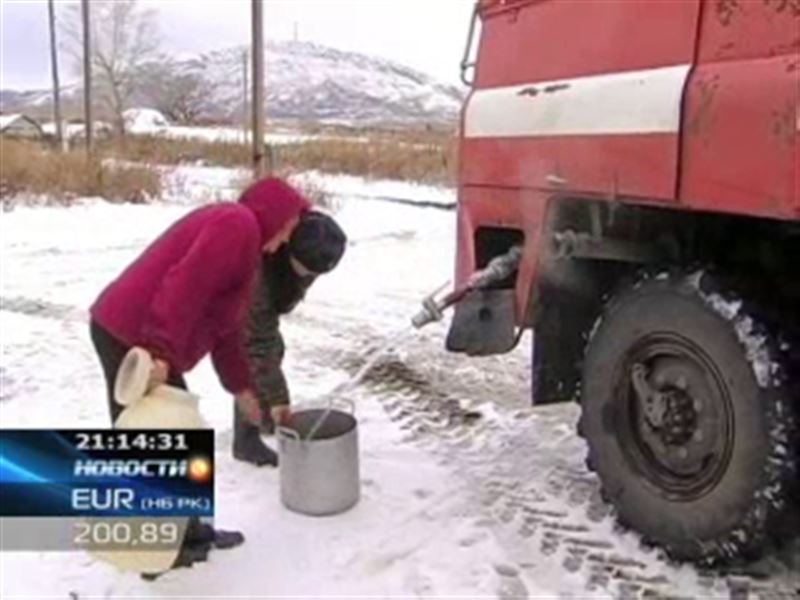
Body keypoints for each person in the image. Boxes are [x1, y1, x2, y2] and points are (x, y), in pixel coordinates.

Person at [88, 178, 310, 572]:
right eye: (288, 228)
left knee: (172, 440)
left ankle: (185, 534)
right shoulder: (235, 225)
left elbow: (224, 328)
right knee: (153, 444)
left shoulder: (245, 245)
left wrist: (241, 387)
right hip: (128, 335)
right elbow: (182, 287)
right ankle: (156, 552)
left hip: (139, 336)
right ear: (273, 216)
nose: (285, 240)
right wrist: (158, 353)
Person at [233, 210, 347, 465]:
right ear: (287, 250)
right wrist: (278, 399)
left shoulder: (313, 231)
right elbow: (257, 341)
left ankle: (256, 421)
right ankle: (246, 440)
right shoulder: (256, 273)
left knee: (270, 351)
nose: (309, 279)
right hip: (175, 306)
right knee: (253, 354)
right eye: (306, 272)